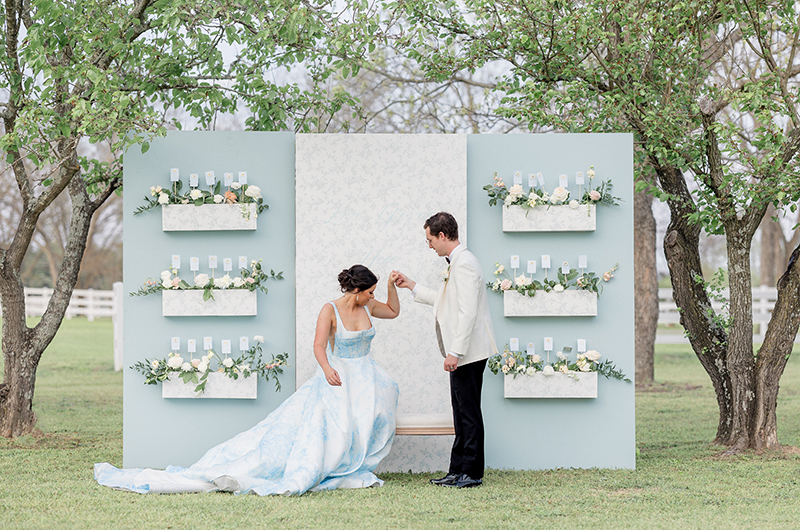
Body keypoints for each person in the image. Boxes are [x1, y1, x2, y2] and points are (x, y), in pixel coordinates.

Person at [95, 265, 401, 496]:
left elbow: (392, 311)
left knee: (377, 412)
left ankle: (354, 464)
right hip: (338, 375)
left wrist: (390, 287)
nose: (374, 297)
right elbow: (319, 346)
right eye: (371, 291)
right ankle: (322, 466)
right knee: (334, 424)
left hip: (366, 374)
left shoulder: (369, 306)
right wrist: (327, 369)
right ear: (357, 290)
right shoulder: (330, 310)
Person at [393, 212, 497, 489]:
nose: (429, 245)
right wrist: (411, 285)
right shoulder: (458, 263)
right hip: (465, 351)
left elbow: (467, 313)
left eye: (429, 239)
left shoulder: (464, 265)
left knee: (468, 412)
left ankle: (472, 473)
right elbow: (444, 300)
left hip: (468, 352)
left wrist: (455, 352)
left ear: (442, 235)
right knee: (460, 411)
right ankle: (457, 470)